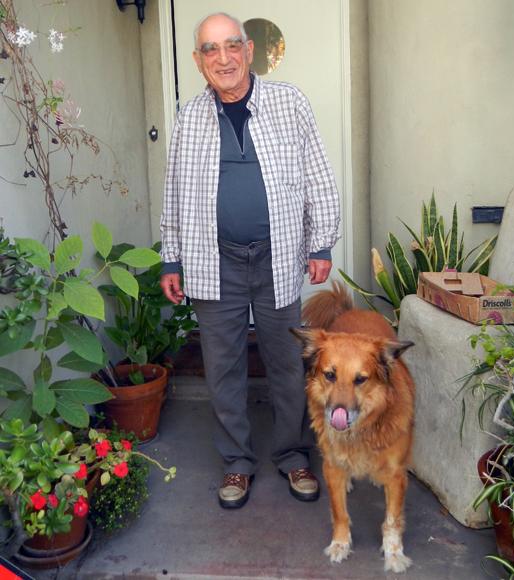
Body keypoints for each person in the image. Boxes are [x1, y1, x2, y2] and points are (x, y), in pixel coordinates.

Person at [159, 12, 340, 509]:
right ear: (198, 62)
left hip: (277, 257)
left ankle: (292, 454)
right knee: (223, 369)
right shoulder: (190, 116)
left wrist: (320, 244)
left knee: (286, 363)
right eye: (210, 50)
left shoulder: (289, 103)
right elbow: (175, 192)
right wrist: (171, 259)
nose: (223, 58)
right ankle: (237, 463)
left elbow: (318, 177)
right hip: (213, 261)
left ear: (248, 50)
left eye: (231, 45)